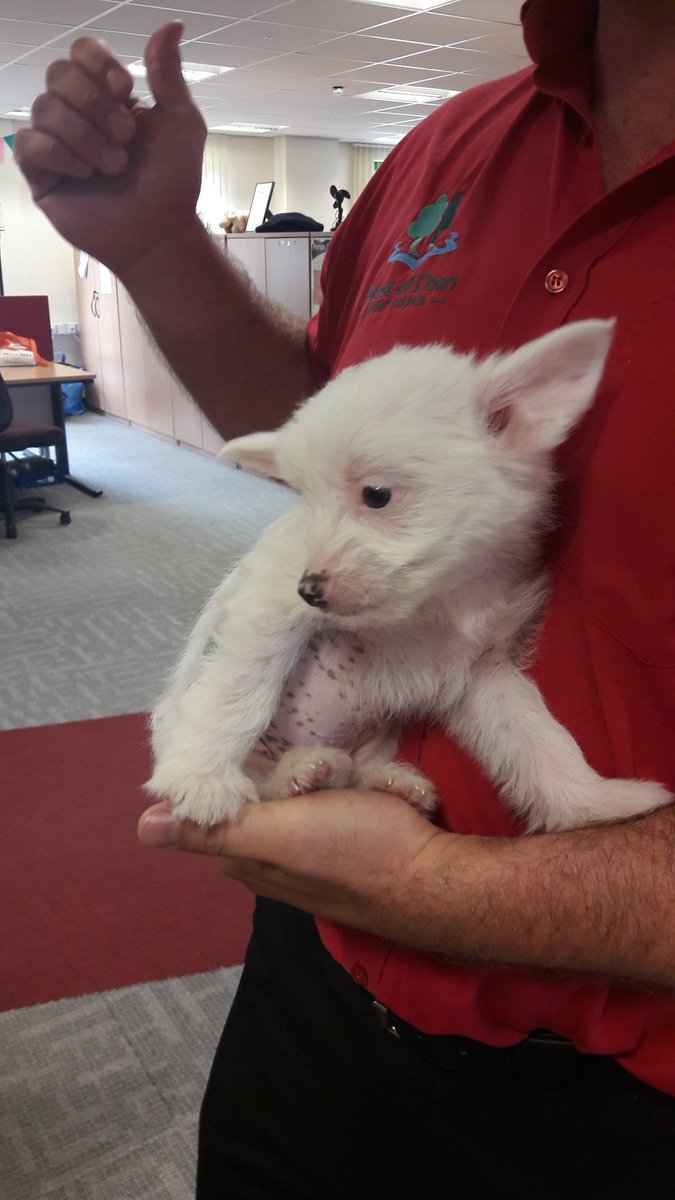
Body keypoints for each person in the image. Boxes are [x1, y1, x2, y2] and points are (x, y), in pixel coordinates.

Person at [16, 1, 675, 1195]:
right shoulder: (448, 146)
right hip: (319, 958)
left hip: (620, 1083)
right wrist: (159, 247)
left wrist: (432, 887)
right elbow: (325, 434)